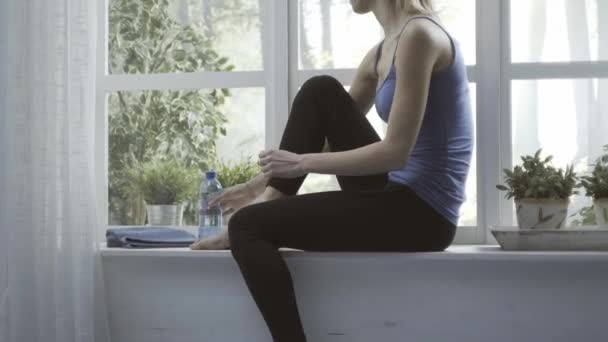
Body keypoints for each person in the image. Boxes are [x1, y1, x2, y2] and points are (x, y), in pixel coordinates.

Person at [190, 0, 473, 340]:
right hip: (394, 193)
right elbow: (321, 135)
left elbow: (396, 152)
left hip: (423, 214)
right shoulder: (383, 49)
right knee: (320, 90)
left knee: (247, 226)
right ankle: (264, 201)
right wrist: (255, 185)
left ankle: (258, 216)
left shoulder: (420, 36)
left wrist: (301, 163)